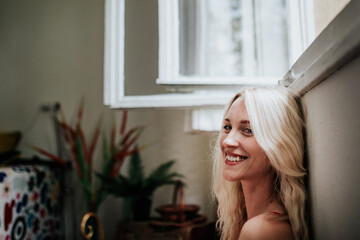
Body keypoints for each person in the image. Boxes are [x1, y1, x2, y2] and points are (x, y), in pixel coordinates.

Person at [212, 86, 308, 240]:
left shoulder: (263, 231)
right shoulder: (243, 219)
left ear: (280, 146)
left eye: (248, 130)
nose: (228, 141)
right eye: (228, 127)